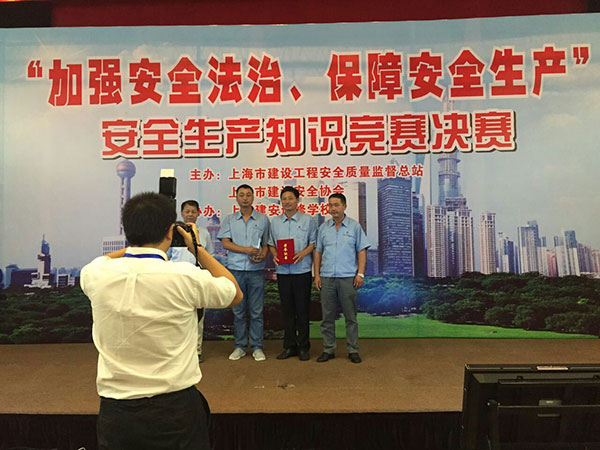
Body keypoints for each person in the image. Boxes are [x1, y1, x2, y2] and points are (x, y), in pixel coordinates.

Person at [80, 192, 242, 450]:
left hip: (117, 412)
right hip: (175, 410)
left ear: (127, 230)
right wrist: (196, 249)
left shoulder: (95, 274)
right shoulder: (185, 276)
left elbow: (104, 260)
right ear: (170, 232)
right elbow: (234, 293)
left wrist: (136, 243)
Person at [313, 193, 369, 364]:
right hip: (327, 277)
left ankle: (353, 350)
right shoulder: (323, 228)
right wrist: (317, 275)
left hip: (348, 278)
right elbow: (318, 252)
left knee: (350, 317)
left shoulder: (354, 227)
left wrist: (360, 274)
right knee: (327, 317)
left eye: (336, 205)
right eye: (330, 205)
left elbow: (361, 251)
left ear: (344, 206)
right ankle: (328, 349)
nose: (333, 208)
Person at [217, 184, 270, 361]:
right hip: (236, 270)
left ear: (253, 197)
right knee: (238, 311)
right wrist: (246, 250)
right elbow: (225, 243)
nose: (245, 198)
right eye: (242, 195)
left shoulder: (263, 219)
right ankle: (239, 346)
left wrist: (263, 255)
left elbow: (266, 244)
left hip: (256, 271)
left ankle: (257, 347)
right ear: (237, 198)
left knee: (256, 311)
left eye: (248, 195)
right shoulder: (230, 219)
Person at [268, 186, 317, 361]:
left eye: (290, 198)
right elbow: (271, 243)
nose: (287, 202)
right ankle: (289, 346)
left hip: (302, 271)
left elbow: (313, 243)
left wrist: (303, 253)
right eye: (284, 199)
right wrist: (274, 255)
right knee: (287, 311)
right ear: (281, 202)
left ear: (298, 200)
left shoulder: (308, 220)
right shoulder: (275, 222)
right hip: (283, 272)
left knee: (302, 310)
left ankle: (303, 347)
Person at [169, 199, 215, 363]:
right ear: (182, 213)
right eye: (187, 211)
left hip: (197, 279)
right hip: (177, 280)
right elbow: (166, 256)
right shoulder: (173, 233)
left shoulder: (204, 233)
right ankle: (177, 352)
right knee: (176, 317)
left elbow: (209, 256)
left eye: (193, 212)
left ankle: (196, 350)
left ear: (198, 214)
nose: (190, 214)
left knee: (198, 318)